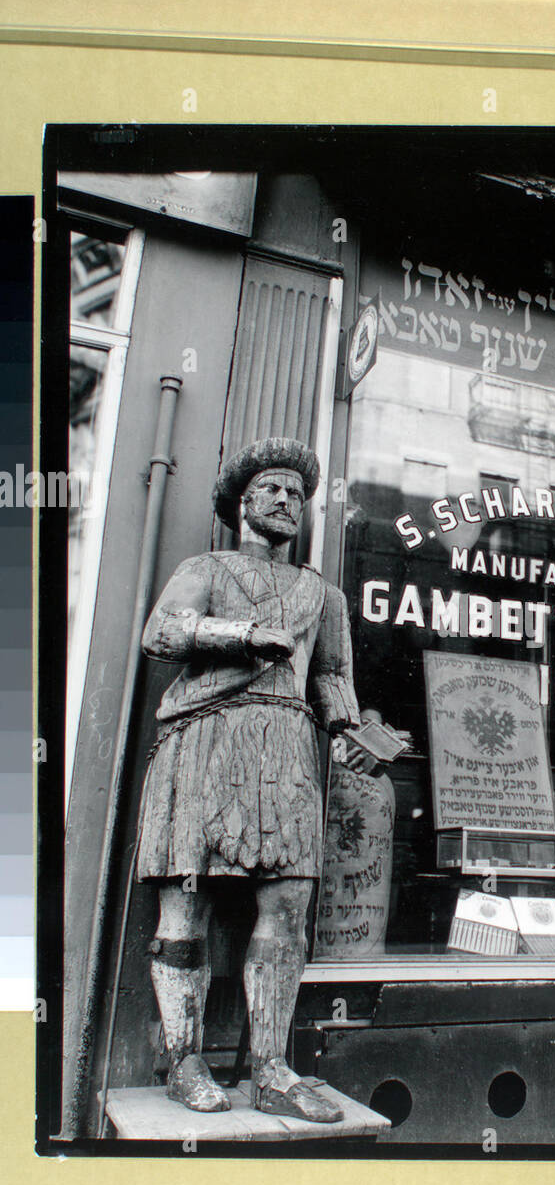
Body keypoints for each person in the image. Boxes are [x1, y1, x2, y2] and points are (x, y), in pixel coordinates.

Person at [135, 436, 360, 1122]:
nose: (288, 501)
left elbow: (331, 675)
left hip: (287, 747)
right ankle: (185, 1060)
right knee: (188, 903)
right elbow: (160, 633)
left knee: (288, 906)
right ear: (242, 501)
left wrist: (350, 731)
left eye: (297, 493)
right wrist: (241, 634)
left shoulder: (322, 593)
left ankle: (269, 1068)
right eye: (273, 489)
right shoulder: (205, 566)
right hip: (204, 739)